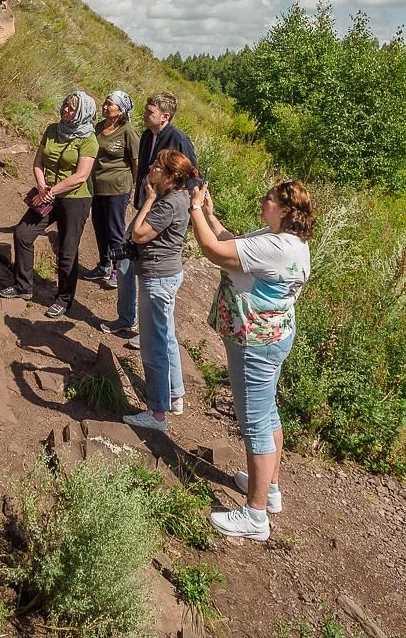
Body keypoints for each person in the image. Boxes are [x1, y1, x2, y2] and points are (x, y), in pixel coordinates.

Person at [188, 177, 314, 541]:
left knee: (255, 423)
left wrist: (195, 208)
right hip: (274, 336)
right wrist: (212, 217)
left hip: (254, 341)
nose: (263, 201)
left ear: (287, 210)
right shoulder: (289, 241)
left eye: (269, 199)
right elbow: (235, 246)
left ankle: (255, 515)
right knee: (268, 412)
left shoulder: (276, 246)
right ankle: (270, 488)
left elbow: (213, 252)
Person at [0, 92, 98, 318]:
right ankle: (23, 286)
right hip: (48, 193)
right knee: (23, 233)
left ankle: (63, 299)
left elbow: (81, 176)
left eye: (71, 108)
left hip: (75, 198)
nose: (65, 110)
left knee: (67, 250)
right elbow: (38, 161)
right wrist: (42, 187)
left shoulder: (88, 139)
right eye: (65, 105)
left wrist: (52, 191)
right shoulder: (53, 129)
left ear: (82, 113)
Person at [118, 149, 195, 431]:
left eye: (157, 166)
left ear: (172, 176)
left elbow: (138, 233)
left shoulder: (166, 204)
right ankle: (174, 396)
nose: (151, 168)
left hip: (157, 278)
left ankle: (157, 413)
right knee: (167, 338)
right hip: (167, 274)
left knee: (154, 347)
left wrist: (148, 198)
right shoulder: (178, 197)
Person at [87, 90, 139, 293]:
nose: (105, 106)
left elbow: (136, 162)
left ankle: (118, 270)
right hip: (96, 186)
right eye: (105, 102)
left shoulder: (128, 131)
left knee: (115, 230)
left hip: (118, 187)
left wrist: (135, 187)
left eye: (110, 104)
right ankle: (103, 264)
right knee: (99, 226)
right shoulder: (99, 127)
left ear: (120, 110)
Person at [134, 93, 197, 206]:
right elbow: (143, 170)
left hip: (166, 205)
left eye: (150, 112)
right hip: (147, 200)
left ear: (165, 117)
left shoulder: (179, 139)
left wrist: (192, 209)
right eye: (146, 110)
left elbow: (192, 176)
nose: (145, 114)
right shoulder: (147, 135)